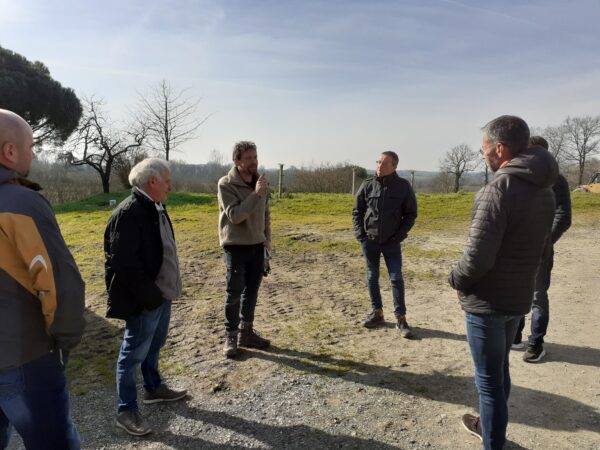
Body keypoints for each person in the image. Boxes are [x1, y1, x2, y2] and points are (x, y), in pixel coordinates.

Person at [449, 116, 558, 449]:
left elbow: (477, 258)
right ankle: (487, 426)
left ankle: (491, 441)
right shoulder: (544, 190)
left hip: (487, 302)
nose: (482, 154)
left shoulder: (497, 190)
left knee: (488, 384)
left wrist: (454, 278)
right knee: (499, 371)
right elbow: (543, 249)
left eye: (483, 148)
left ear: (499, 148)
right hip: (518, 298)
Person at [0, 109, 85, 449]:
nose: (34, 155)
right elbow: (59, 282)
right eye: (31, 146)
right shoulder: (20, 203)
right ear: (9, 151)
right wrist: (64, 340)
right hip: (24, 358)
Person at [105, 158, 187, 436]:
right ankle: (126, 410)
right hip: (144, 300)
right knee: (132, 354)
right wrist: (151, 296)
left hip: (161, 296)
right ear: (152, 181)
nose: (170, 186)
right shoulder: (129, 213)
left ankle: (153, 388)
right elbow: (124, 264)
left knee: (155, 343)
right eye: (167, 181)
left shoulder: (155, 206)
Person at [512, 136, 572, 363]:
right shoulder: (519, 177)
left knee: (537, 297)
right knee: (516, 292)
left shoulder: (556, 180)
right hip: (516, 250)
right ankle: (515, 336)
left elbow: (563, 216)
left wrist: (545, 242)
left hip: (540, 251)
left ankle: (535, 344)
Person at [352, 151, 417, 337]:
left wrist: (399, 236)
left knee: (396, 278)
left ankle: (401, 319)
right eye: (378, 162)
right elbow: (357, 211)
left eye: (384, 163)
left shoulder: (403, 187)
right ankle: (377, 313)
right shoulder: (367, 185)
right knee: (372, 277)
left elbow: (410, 214)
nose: (379, 166)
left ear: (394, 166)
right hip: (370, 241)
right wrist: (361, 235)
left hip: (392, 243)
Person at [217, 141, 271, 357]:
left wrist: (267, 238)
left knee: (252, 291)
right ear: (236, 161)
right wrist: (256, 194)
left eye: (255, 157)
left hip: (257, 245)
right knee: (234, 293)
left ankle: (246, 333)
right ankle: (231, 336)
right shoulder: (226, 184)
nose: (253, 162)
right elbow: (235, 216)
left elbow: (265, 213)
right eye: (248, 158)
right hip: (235, 246)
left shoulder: (261, 182)